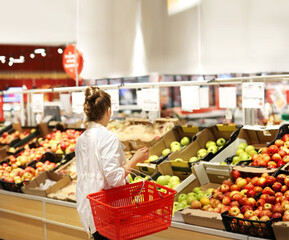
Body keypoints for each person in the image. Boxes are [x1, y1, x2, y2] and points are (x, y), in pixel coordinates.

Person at [75, 86, 149, 240]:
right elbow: (114, 178)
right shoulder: (108, 137)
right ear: (108, 110)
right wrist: (136, 159)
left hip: (90, 209)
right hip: (109, 211)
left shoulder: (82, 138)